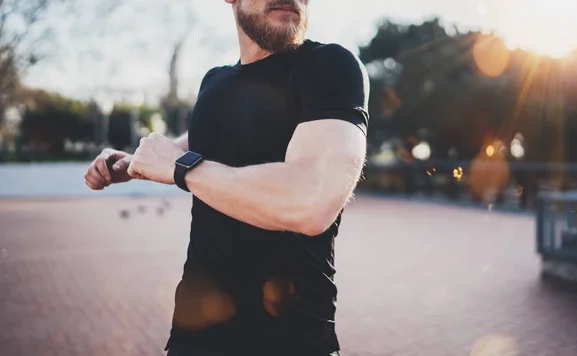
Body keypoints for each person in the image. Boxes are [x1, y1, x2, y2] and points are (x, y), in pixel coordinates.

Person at [84, 0, 369, 355]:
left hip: (293, 341)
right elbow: (199, 145)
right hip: (194, 335)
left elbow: (311, 201)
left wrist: (181, 168)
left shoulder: (329, 67)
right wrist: (130, 165)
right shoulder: (214, 81)